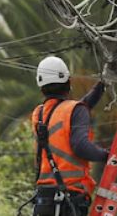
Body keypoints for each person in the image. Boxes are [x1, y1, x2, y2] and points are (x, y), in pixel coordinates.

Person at [29, 56, 110, 215]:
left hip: (44, 198)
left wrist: (102, 85)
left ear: (41, 87)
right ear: (69, 82)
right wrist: (108, 156)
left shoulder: (39, 113)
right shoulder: (75, 110)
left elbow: (76, 110)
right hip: (69, 198)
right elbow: (80, 146)